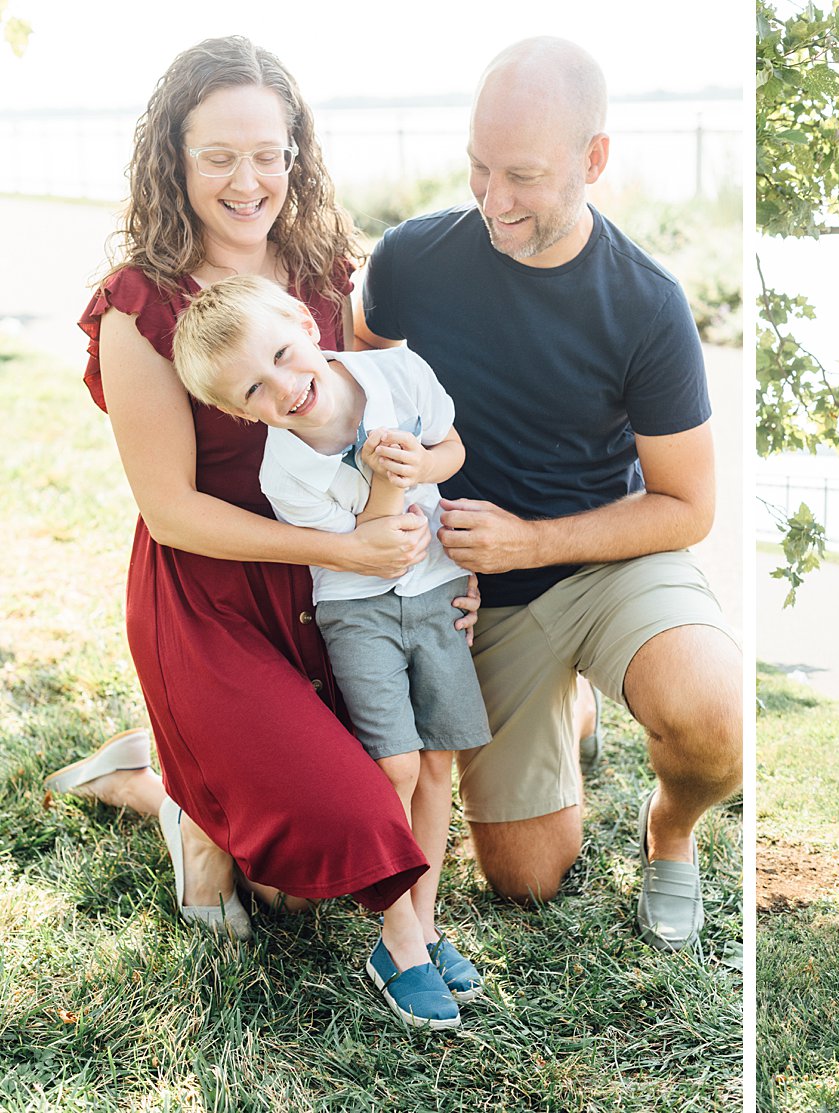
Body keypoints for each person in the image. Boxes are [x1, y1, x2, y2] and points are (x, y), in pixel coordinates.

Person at [44, 36, 439, 943]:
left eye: (268, 153)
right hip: (208, 596)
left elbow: (403, 429)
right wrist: (343, 548)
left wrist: (434, 572)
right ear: (173, 159)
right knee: (326, 847)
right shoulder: (138, 304)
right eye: (218, 156)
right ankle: (175, 795)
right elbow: (171, 510)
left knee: (317, 873)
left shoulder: (331, 274)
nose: (247, 180)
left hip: (332, 595)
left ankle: (172, 774)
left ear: (295, 155)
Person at [355, 37, 741, 951]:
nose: (494, 200)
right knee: (525, 880)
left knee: (715, 714)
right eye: (479, 167)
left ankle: (671, 831)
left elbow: (688, 505)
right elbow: (363, 364)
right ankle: (574, 706)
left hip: (605, 558)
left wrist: (531, 540)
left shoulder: (649, 303)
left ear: (593, 160)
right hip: (478, 590)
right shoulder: (414, 257)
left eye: (522, 175)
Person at [172, 274, 491, 1028]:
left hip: (438, 587)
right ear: (234, 410)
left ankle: (428, 920)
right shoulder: (284, 470)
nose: (285, 386)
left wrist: (423, 468)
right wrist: (385, 482)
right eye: (255, 387)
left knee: (440, 758)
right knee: (397, 762)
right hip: (360, 606)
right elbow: (372, 552)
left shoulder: (399, 374)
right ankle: (396, 938)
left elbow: (451, 446)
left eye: (284, 352)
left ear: (303, 322)